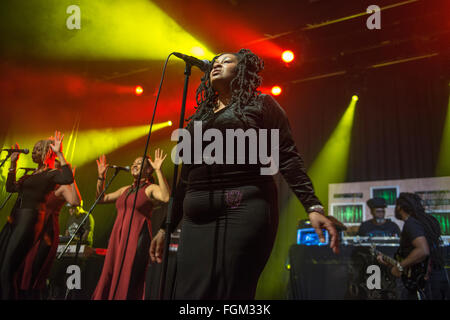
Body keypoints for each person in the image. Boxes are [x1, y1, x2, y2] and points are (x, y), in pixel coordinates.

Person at [150, 49, 339, 299]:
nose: (216, 64)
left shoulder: (262, 105)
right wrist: (167, 226)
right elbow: (185, 177)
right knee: (190, 294)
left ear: (241, 70)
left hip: (242, 209)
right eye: (214, 62)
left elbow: (288, 157)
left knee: (231, 291)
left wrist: (312, 206)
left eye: (226, 61)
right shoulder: (199, 117)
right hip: (196, 220)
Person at [0, 131, 74, 299]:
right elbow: (10, 187)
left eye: (39, 149)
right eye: (34, 149)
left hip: (29, 219)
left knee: (7, 270)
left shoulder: (51, 174)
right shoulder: (31, 174)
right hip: (14, 219)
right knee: (3, 268)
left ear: (48, 152)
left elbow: (68, 178)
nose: (34, 151)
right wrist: (13, 164)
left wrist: (59, 153)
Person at [92, 149, 170, 300]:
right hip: (118, 237)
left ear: (148, 169)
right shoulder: (125, 190)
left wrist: (158, 170)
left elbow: (166, 197)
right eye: (133, 163)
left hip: (137, 236)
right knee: (110, 271)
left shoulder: (150, 188)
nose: (134, 165)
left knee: (128, 274)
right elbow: (100, 199)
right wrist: (101, 177)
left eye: (139, 163)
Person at [17, 161, 81, 299]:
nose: (54, 171)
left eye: (58, 168)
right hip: (32, 225)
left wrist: (72, 181)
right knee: (23, 264)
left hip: (47, 229)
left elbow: (76, 201)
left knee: (35, 267)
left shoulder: (62, 187)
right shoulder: (44, 185)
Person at [378, 192, 448, 299]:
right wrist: (391, 262)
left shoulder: (411, 223)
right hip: (437, 277)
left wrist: (399, 266)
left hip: (425, 283)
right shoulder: (428, 220)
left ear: (400, 207)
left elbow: (422, 250)